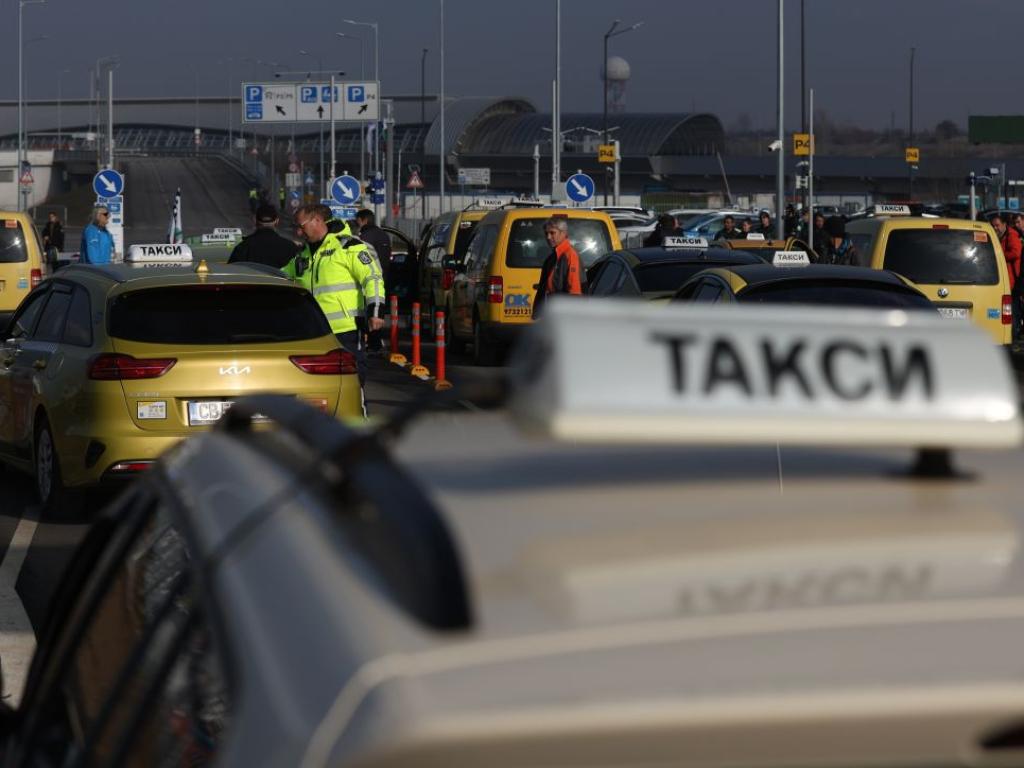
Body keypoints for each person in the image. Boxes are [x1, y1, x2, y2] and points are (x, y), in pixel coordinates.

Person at [283, 204, 384, 389]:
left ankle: (358, 415)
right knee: (319, 386)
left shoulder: (349, 246)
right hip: (313, 332)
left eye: (301, 226)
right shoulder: (303, 255)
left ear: (317, 221)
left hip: (346, 331)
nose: (298, 232)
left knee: (352, 383)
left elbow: (373, 278)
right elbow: (280, 276)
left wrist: (375, 310)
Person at [355, 209, 393, 356]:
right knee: (378, 312)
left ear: (363, 220)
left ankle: (372, 343)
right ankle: (375, 343)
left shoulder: (365, 237)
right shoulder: (384, 235)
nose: (358, 224)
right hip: (383, 279)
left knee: (369, 312)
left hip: (369, 280)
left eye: (358, 221)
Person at [532, 216, 583, 319]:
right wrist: (536, 311)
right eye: (546, 234)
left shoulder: (570, 255)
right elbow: (543, 287)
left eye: (552, 233)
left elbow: (574, 291)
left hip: (564, 315)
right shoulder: (552, 257)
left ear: (563, 233)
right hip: (553, 313)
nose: (548, 237)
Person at [228, 203, 300, 269]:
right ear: (277, 221)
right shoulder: (290, 247)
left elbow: (232, 274)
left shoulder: (243, 247)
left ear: (255, 220)